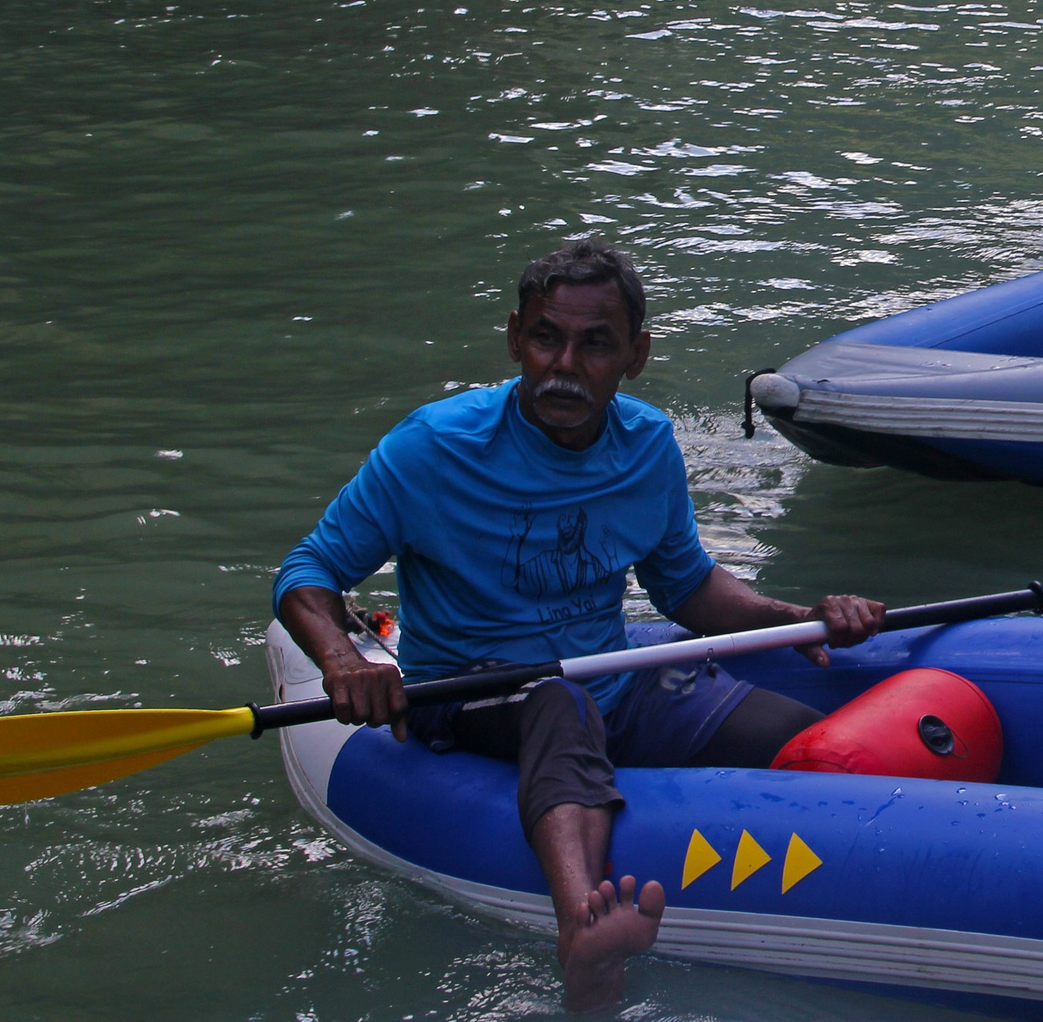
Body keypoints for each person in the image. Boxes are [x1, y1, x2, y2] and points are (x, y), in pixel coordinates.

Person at [274, 239, 885, 1013]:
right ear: (514, 339)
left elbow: (688, 588)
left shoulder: (647, 445)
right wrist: (342, 660)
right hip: (471, 694)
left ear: (636, 354)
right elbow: (308, 572)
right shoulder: (433, 448)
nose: (564, 364)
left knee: (799, 734)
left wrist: (799, 620)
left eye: (595, 344)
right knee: (555, 704)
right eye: (544, 338)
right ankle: (582, 935)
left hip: (605, 678)